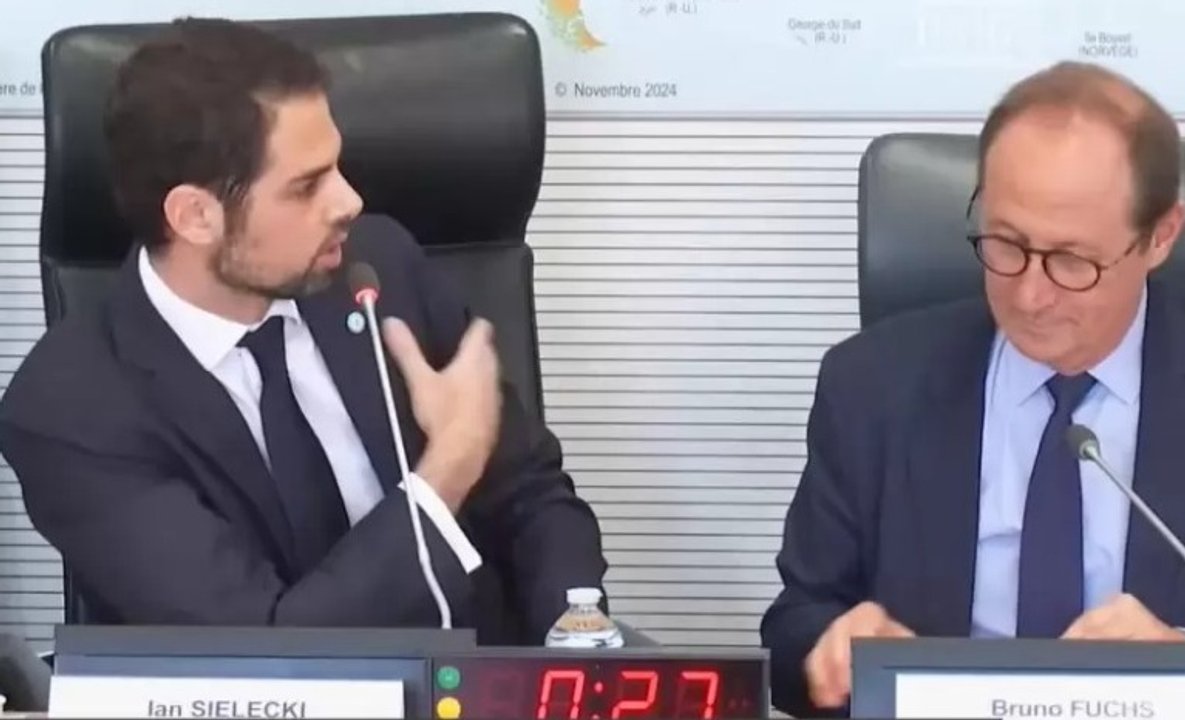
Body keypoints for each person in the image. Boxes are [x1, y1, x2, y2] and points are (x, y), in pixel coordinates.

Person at [0, 17, 608, 646]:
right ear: (196, 216)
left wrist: (571, 649)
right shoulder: (69, 411)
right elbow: (267, 650)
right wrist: (447, 471)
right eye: (306, 186)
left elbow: (531, 493)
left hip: (481, 679)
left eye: (336, 166)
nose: (349, 201)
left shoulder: (380, 266)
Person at [761, 60, 1185, 717]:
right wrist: (831, 647)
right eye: (1005, 243)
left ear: (1159, 236)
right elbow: (796, 623)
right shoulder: (872, 387)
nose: (1030, 295)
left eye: (1071, 260)